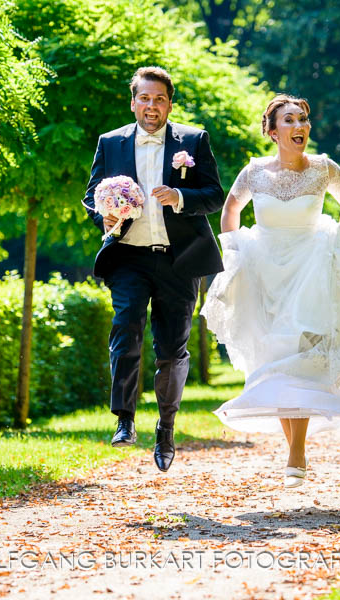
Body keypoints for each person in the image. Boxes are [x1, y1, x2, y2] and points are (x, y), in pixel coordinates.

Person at [201, 94, 340, 488]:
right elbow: (230, 210)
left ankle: (296, 453)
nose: (299, 126)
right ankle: (295, 452)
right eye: (289, 120)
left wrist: (336, 244)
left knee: (301, 358)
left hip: (311, 271)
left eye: (303, 119)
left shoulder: (324, 168)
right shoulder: (254, 172)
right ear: (273, 132)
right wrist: (234, 252)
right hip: (265, 271)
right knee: (276, 359)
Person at [82, 66, 224, 472]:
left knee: (172, 348)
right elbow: (92, 195)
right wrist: (104, 218)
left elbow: (214, 194)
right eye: (144, 98)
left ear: (169, 104)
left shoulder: (193, 140)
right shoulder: (110, 143)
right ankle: (124, 419)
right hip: (128, 255)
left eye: (159, 99)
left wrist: (180, 195)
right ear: (133, 102)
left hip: (179, 260)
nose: (151, 105)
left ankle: (166, 426)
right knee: (126, 327)